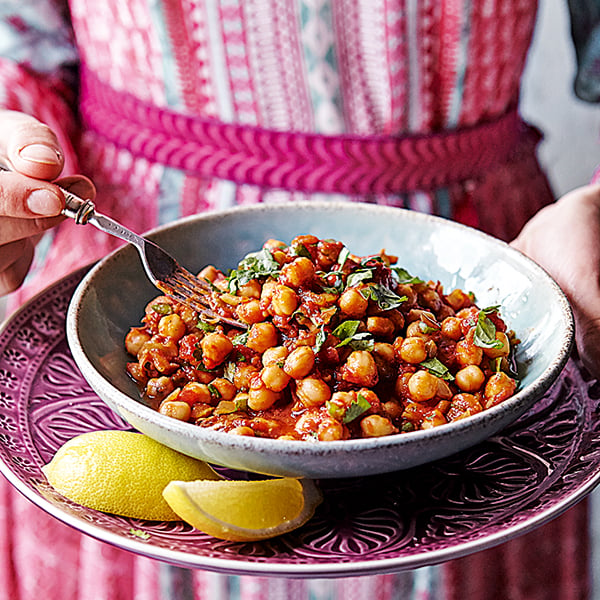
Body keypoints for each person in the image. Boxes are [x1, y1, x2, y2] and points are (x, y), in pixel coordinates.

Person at [0, 0, 598, 599]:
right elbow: (20, 47)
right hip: (133, 264)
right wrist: (16, 159)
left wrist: (593, 206)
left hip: (503, 244)